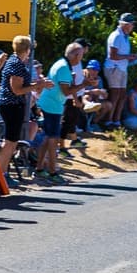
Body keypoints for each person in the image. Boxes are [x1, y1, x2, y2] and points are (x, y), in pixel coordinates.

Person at [0, 35, 39, 178]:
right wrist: (38, 85)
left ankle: (4, 173)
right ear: (27, 49)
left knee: (12, 142)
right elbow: (17, 90)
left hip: (13, 105)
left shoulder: (16, 62)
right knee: (9, 142)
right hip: (11, 105)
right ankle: (1, 174)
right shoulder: (16, 64)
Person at [34, 42, 80, 177]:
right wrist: (85, 83)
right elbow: (66, 92)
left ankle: (40, 168)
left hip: (51, 104)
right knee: (53, 138)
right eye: (81, 56)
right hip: (52, 105)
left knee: (49, 137)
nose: (80, 59)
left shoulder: (61, 63)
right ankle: (53, 172)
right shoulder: (64, 67)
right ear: (76, 55)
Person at [105, 13, 137, 124]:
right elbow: (112, 56)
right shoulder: (116, 36)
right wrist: (128, 57)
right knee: (115, 94)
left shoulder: (124, 37)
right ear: (125, 24)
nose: (132, 26)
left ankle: (116, 120)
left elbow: (121, 54)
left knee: (122, 95)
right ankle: (108, 120)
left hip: (122, 68)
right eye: (131, 24)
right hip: (114, 68)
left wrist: (130, 58)